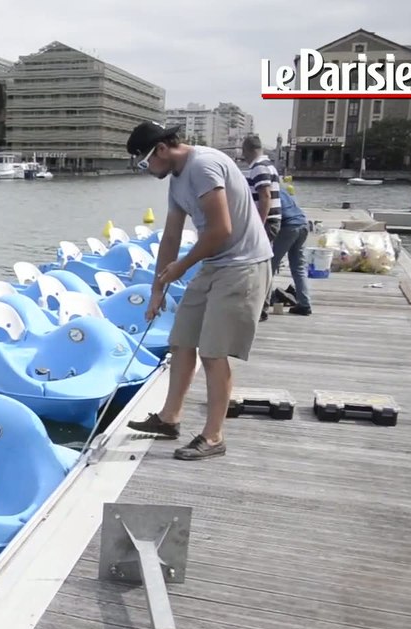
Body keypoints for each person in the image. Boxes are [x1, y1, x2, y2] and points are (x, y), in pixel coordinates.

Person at [123, 121, 272, 461]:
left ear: (161, 150)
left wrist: (181, 268)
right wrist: (158, 287)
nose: (146, 171)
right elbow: (172, 236)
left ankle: (213, 435)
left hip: (243, 264)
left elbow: (221, 229)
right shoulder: (176, 181)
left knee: (213, 352)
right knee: (182, 338)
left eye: (145, 163)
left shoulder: (203, 165)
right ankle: (169, 418)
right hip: (215, 262)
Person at [241, 135, 281, 321]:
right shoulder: (269, 165)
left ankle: (260, 307)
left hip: (267, 222)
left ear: (247, 150)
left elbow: (264, 196)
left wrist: (258, 223)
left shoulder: (259, 167)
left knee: (257, 265)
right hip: (273, 221)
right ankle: (262, 305)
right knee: (262, 264)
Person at [272, 186, 313, 315]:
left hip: (288, 227)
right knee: (299, 267)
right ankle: (304, 304)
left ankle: (263, 304)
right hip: (302, 224)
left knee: (269, 267)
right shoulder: (282, 189)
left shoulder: (266, 190)